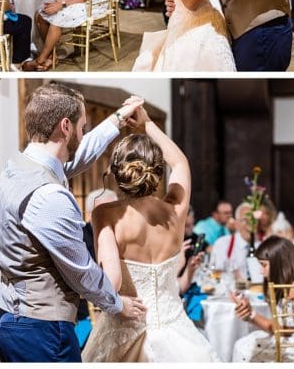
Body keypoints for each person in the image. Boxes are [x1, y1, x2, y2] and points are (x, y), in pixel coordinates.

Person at [0, 86, 149, 362]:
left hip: (11, 316)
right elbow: (82, 272)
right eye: (82, 127)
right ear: (66, 126)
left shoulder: (17, 168)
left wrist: (118, 119)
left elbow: (78, 155)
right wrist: (117, 304)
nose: (83, 133)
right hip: (42, 330)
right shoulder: (49, 197)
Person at [82, 106, 216, 361]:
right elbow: (180, 162)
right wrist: (147, 123)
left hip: (125, 331)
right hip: (177, 333)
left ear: (117, 173)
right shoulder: (175, 211)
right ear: (157, 171)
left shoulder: (105, 214)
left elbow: (112, 282)